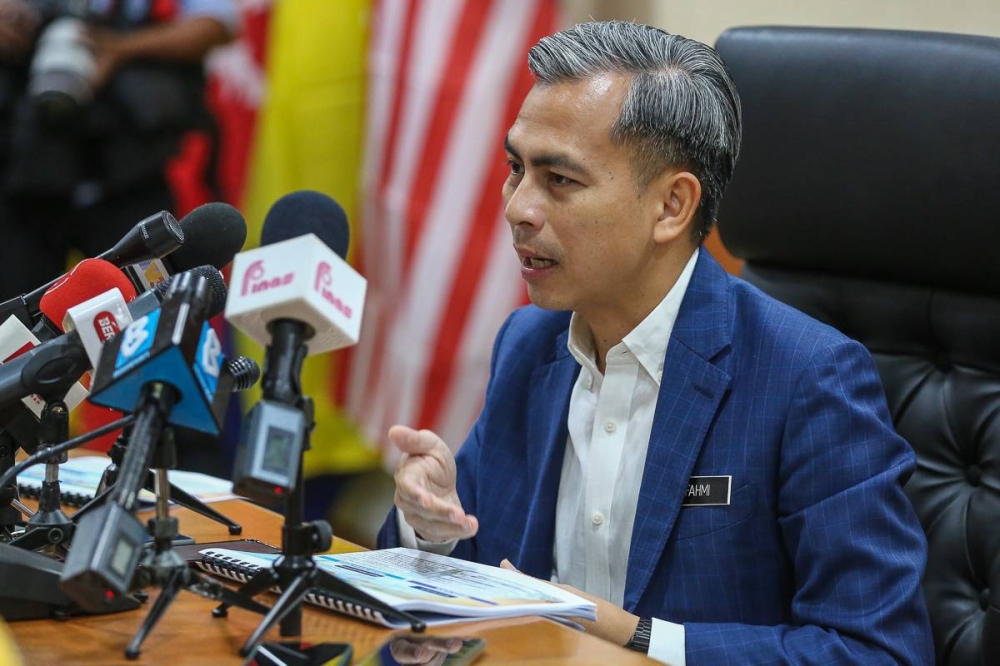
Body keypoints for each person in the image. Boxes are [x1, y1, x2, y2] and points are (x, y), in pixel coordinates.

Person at [377, 20, 934, 665]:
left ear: (671, 206)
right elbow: (476, 579)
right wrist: (432, 527)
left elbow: (879, 651)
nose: (517, 207)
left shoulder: (808, 378)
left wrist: (638, 637)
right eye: (516, 168)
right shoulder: (528, 344)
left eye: (559, 179)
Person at [0, 0, 237, 300]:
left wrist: (120, 47)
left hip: (130, 173)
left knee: (146, 305)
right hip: (29, 173)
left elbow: (215, 27)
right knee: (16, 313)